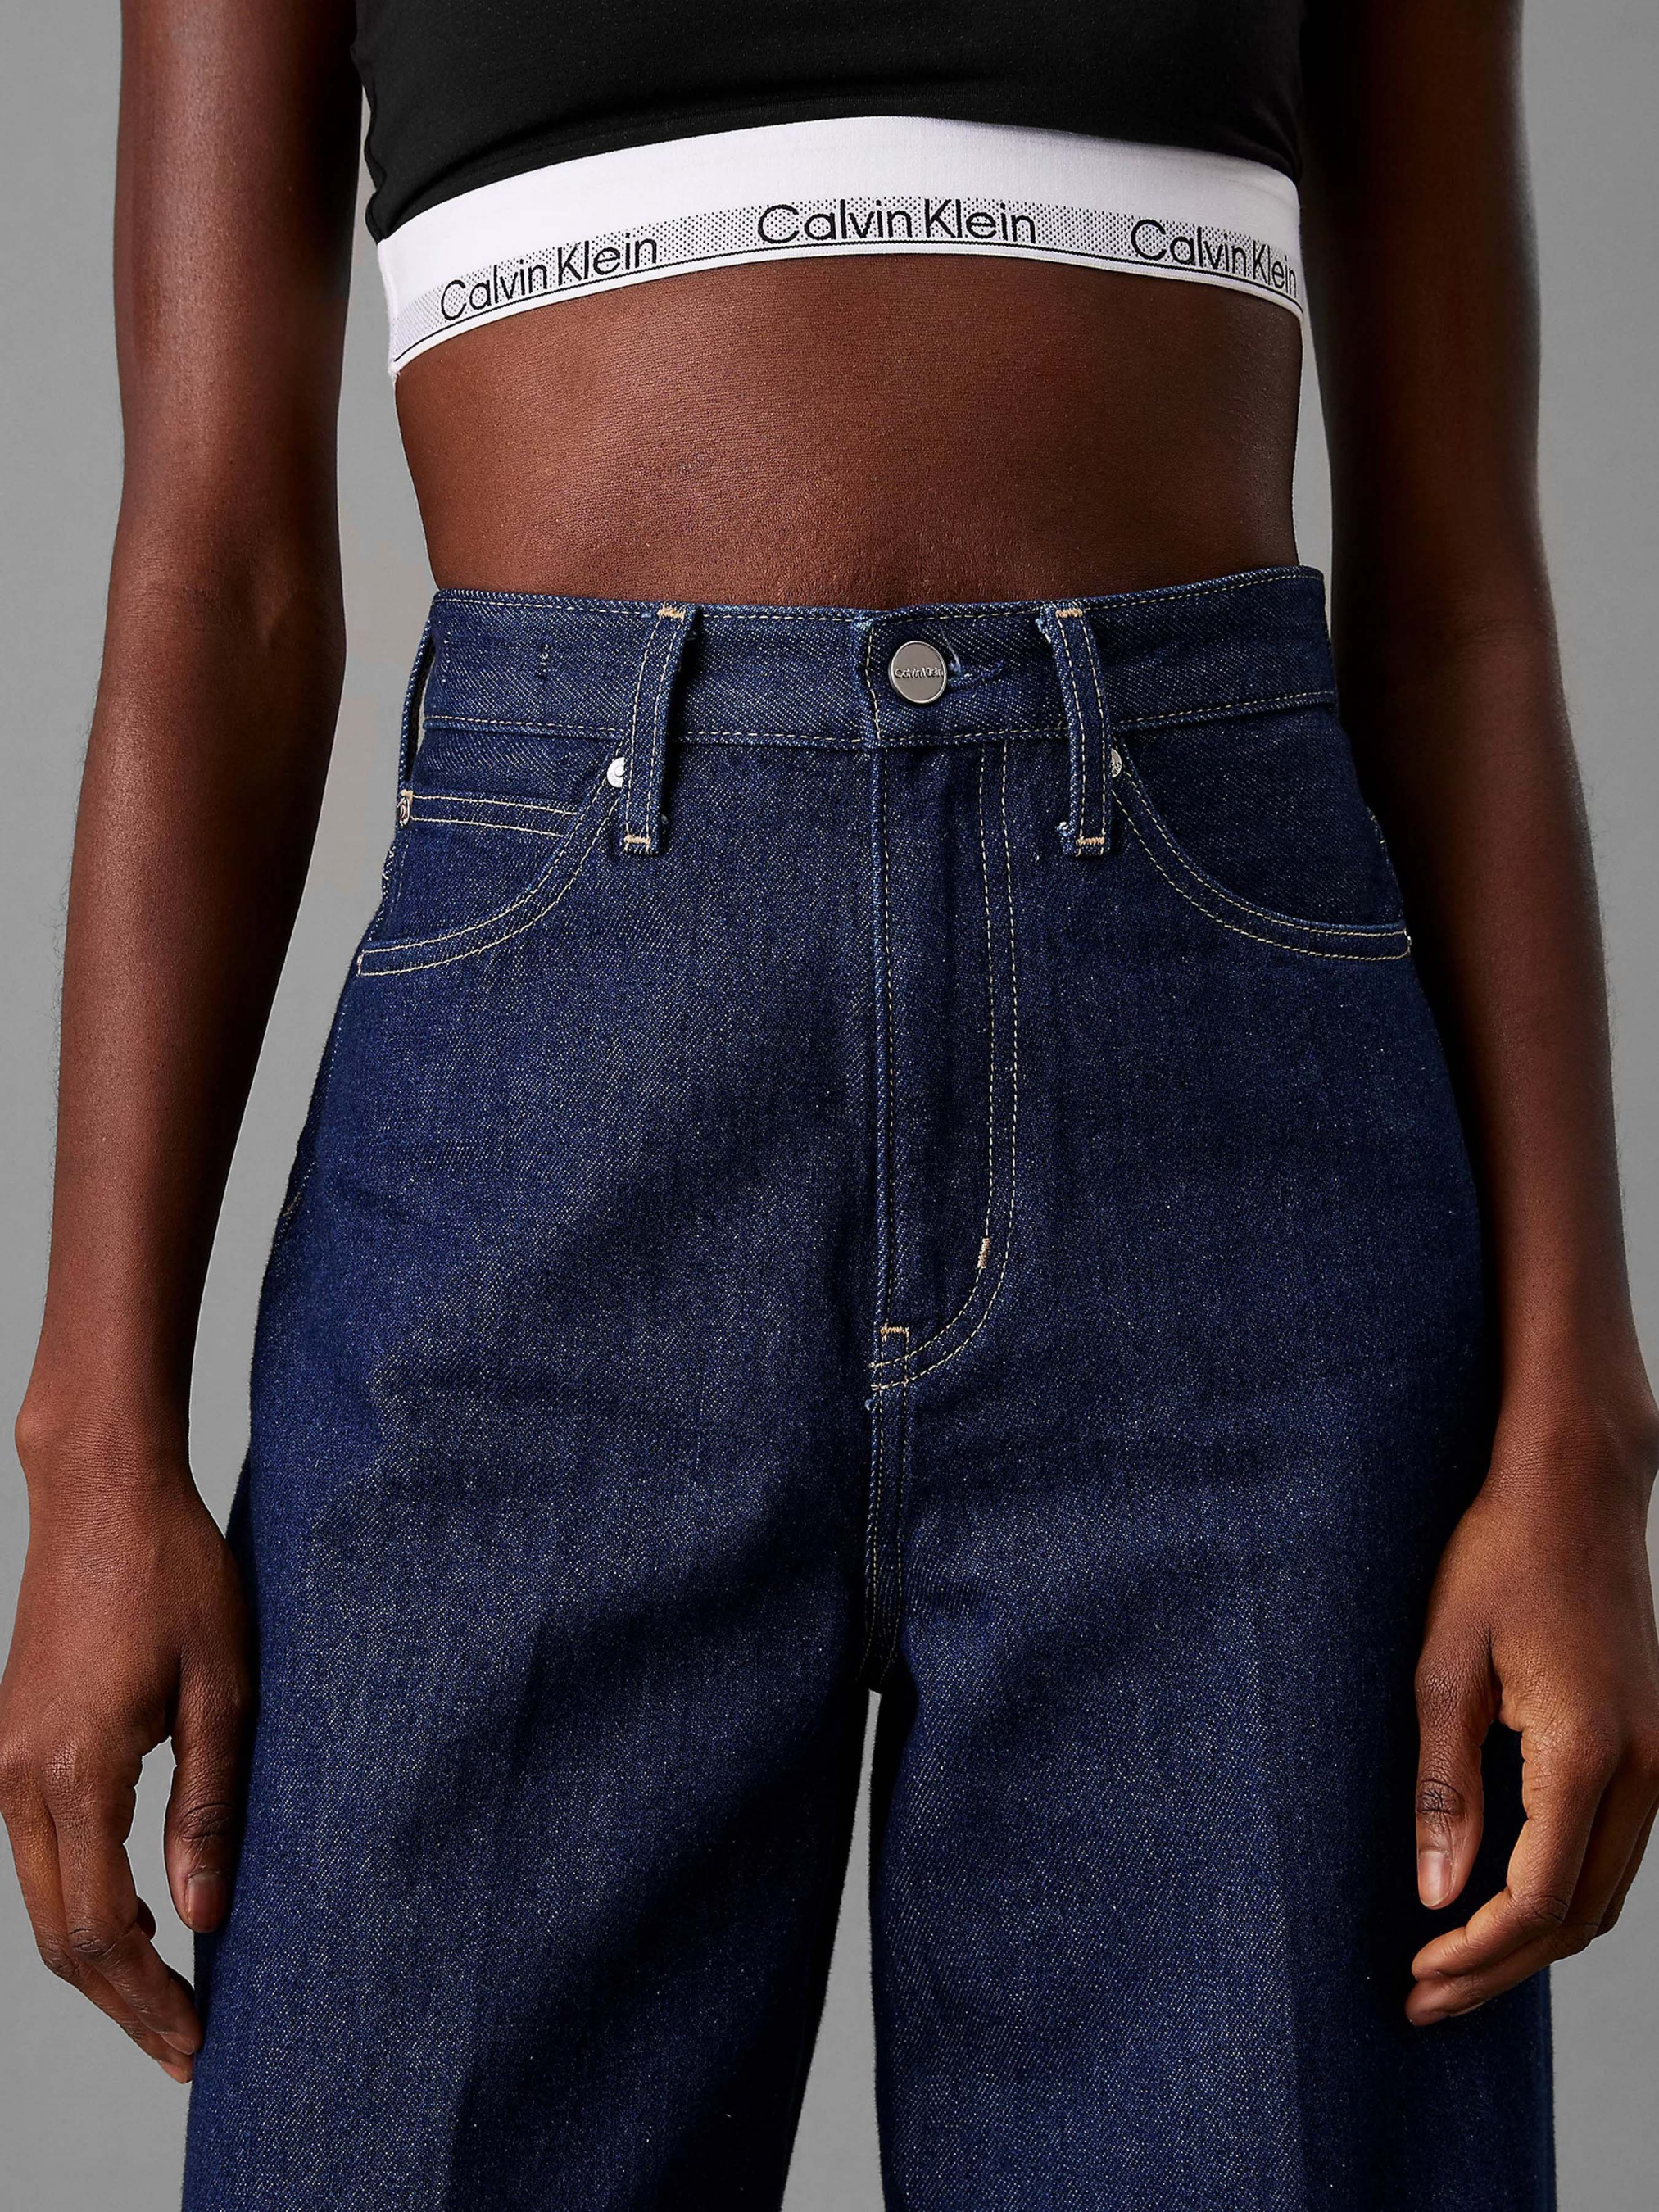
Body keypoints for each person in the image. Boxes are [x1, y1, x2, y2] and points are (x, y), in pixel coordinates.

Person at [2, 1, 1657, 2205]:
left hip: (1221, 1136)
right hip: (551, 1113)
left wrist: (1577, 1437)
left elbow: (1458, 601)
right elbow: (217, 579)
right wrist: (96, 1446)